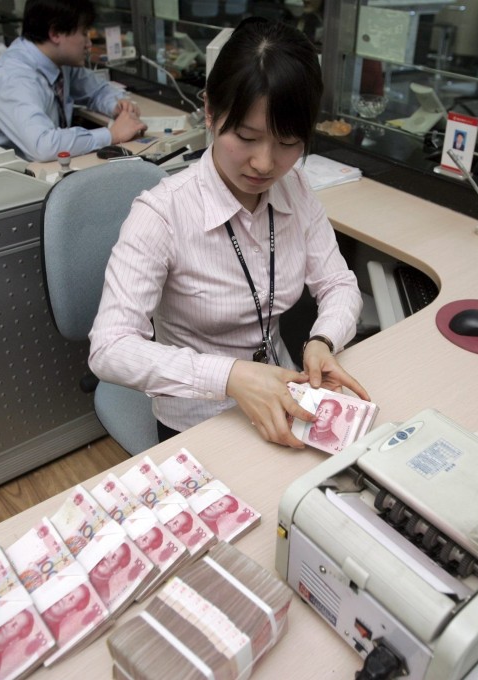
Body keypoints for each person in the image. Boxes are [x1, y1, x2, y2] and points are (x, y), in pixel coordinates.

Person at [88, 18, 369, 448]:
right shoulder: (161, 214)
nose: (264, 163)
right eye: (247, 136)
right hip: (198, 419)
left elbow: (339, 285)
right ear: (211, 113)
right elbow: (109, 348)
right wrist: (231, 376)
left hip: (285, 392)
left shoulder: (293, 187)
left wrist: (321, 339)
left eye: (288, 142)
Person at [0, 0, 146, 162]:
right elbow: (43, 145)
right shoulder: (14, 78)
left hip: (34, 167)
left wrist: (117, 106)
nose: (89, 43)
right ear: (56, 33)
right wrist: (111, 135)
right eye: (83, 33)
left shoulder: (56, 61)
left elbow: (96, 91)